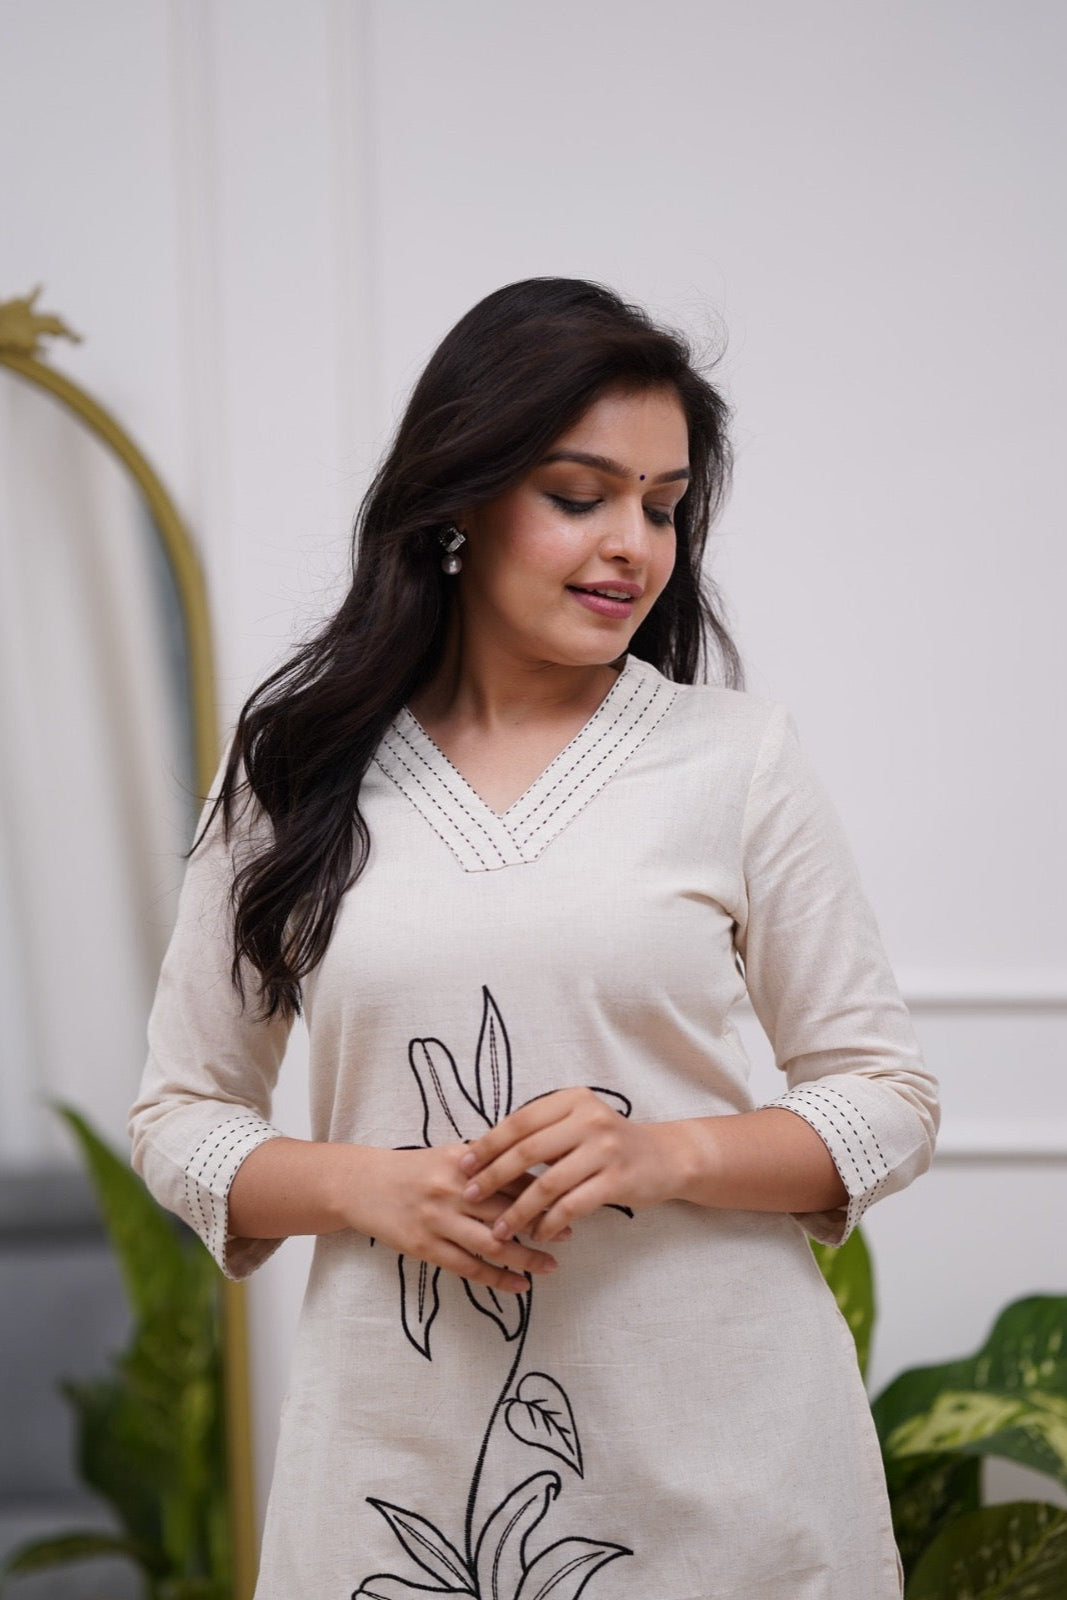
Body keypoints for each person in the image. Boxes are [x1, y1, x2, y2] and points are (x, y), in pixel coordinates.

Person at [129, 277, 939, 1600]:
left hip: (727, 1473)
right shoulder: (300, 769)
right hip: (402, 1483)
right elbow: (179, 1117)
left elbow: (888, 1101)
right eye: (581, 496)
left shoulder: (735, 762)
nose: (635, 543)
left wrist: (661, 1149)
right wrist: (369, 1187)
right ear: (458, 498)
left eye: (665, 507)